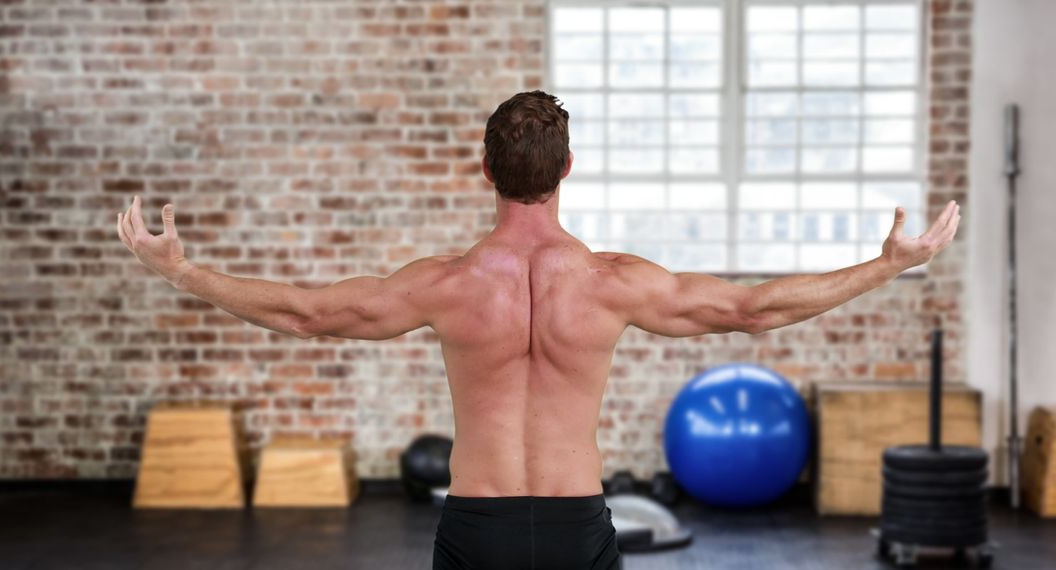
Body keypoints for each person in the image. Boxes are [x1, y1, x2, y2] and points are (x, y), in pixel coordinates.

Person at [115, 90, 961, 570]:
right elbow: (752, 308)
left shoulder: (443, 287)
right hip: (574, 529)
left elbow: (305, 313)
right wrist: (889, 263)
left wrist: (183, 271)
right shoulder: (609, 284)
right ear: (565, 170)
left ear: (484, 171)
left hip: (475, 529)